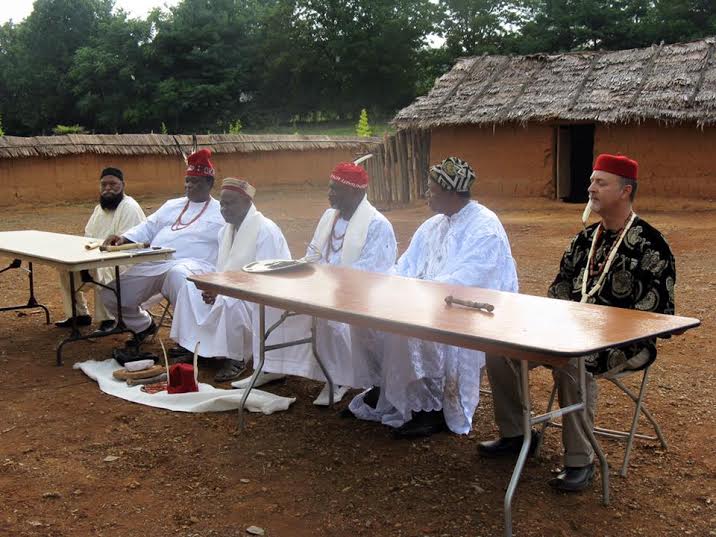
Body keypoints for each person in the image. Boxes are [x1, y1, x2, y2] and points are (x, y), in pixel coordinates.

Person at [479, 154, 676, 492]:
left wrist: (594, 332)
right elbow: (558, 290)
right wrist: (551, 326)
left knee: (573, 360)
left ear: (625, 191)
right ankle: (517, 435)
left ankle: (579, 460)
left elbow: (657, 315)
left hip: (624, 342)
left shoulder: (651, 245)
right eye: (591, 181)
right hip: (567, 332)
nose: (591, 188)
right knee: (499, 349)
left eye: (601, 182)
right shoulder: (584, 241)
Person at [347, 157, 518, 438]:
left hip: (466, 313)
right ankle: (384, 391)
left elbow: (468, 280)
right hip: (426, 301)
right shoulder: (433, 225)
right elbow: (405, 265)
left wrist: (417, 296)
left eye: (432, 189)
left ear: (451, 193)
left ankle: (432, 409)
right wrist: (386, 287)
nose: (427, 194)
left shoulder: (485, 227)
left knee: (409, 329)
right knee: (367, 320)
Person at [234, 162, 397, 406]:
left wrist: (326, 282)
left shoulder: (377, 224)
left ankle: (338, 378)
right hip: (321, 287)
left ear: (355, 192)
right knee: (271, 304)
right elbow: (314, 253)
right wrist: (297, 271)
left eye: (335, 190)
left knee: (328, 317)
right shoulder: (329, 217)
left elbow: (371, 272)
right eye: (330, 188)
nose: (329, 194)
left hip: (358, 295)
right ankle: (271, 366)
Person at [170, 177, 293, 382]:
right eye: (222, 204)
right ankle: (198, 348)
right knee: (189, 288)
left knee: (230, 300)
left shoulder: (266, 230)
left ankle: (236, 357)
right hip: (232, 289)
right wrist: (213, 287)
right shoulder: (224, 232)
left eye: (230, 203)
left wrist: (223, 290)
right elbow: (223, 271)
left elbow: (266, 279)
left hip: (263, 299)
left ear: (247, 203)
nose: (224, 209)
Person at [100, 148, 224, 343]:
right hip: (155, 263)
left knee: (178, 274)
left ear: (210, 183)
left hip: (194, 266)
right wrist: (124, 238)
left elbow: (231, 246)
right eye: (187, 181)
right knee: (110, 293)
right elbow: (148, 226)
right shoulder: (172, 205)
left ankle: (191, 343)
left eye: (195, 182)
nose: (189, 186)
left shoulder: (222, 212)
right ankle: (142, 326)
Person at [55, 167, 145, 332]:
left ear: (123, 185)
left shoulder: (129, 207)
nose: (108, 188)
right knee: (66, 268)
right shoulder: (99, 209)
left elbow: (127, 243)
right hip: (97, 255)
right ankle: (79, 314)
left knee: (100, 269)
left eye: (113, 184)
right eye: (104, 184)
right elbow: (88, 235)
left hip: (126, 260)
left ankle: (109, 319)